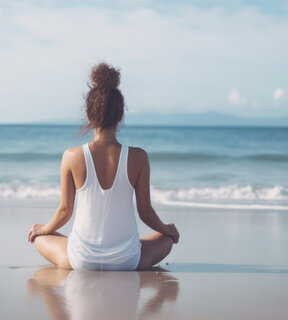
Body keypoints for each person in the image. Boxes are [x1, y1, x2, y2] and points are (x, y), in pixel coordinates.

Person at [27, 62, 180, 271]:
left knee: (41, 238)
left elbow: (64, 211)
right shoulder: (139, 157)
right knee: (166, 238)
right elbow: (145, 212)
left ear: (89, 115)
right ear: (120, 116)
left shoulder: (71, 156)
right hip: (128, 260)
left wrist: (42, 229)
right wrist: (166, 229)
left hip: (80, 260)